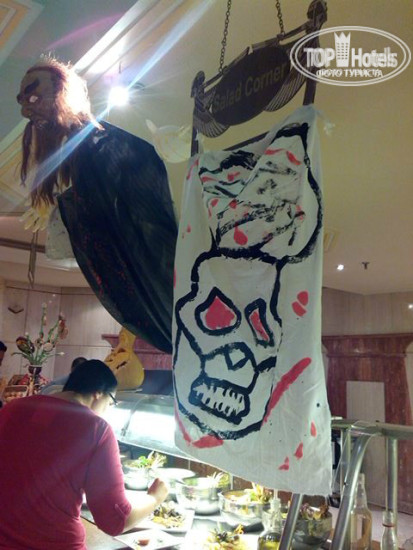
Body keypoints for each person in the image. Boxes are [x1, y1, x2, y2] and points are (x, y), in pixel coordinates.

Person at [17, 55, 177, 354]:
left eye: (34, 97)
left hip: (155, 258)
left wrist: (66, 209)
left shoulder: (105, 144)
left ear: (63, 93)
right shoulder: (82, 151)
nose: (26, 110)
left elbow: (136, 208)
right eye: (22, 101)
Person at [0, 359, 168, 549]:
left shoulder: (11, 409)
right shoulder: (96, 429)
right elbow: (115, 521)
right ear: (98, 393)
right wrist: (155, 498)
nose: (109, 409)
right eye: (111, 402)